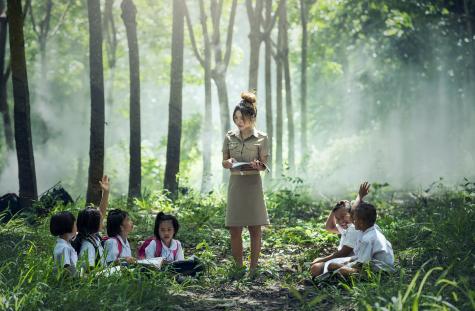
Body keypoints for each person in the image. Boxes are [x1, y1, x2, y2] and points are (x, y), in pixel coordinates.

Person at [221, 91, 270, 274]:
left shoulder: (262, 138)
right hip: (236, 185)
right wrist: (228, 163)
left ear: (252, 117)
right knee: (234, 228)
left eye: (242, 118)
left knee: (255, 228)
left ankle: (253, 268)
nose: (238, 121)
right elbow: (224, 161)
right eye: (236, 118)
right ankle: (238, 268)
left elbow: (264, 164)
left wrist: (259, 165)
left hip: (253, 185)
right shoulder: (229, 137)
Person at [310, 182, 370, 276]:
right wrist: (335, 208)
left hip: (353, 260)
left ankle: (350, 274)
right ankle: (333, 275)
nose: (341, 221)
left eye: (343, 216)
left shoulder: (354, 228)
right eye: (337, 218)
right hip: (346, 259)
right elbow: (329, 227)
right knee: (316, 264)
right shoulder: (346, 228)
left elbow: (342, 253)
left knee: (316, 267)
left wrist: (321, 260)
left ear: (352, 214)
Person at [327, 202, 395, 276]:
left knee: (335, 267)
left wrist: (346, 266)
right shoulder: (372, 231)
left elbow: (362, 265)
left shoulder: (367, 239)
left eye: (354, 219)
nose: (352, 222)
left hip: (379, 273)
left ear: (361, 222)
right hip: (380, 268)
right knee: (335, 266)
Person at [72, 176, 110, 269]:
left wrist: (106, 193)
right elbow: (88, 270)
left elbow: (101, 212)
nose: (103, 220)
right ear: (94, 224)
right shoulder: (88, 245)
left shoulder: (94, 237)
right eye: (100, 219)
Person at [50, 211, 77, 275]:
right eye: (75, 224)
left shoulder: (61, 244)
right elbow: (67, 269)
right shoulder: (65, 248)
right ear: (69, 226)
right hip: (68, 282)